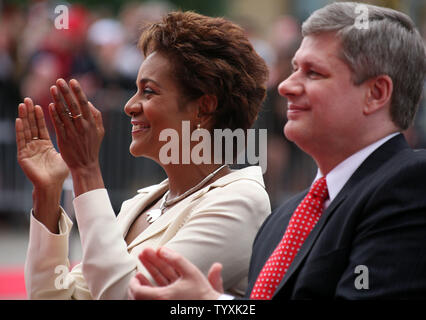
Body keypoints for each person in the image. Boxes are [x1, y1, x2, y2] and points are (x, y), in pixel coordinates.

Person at [128, 2, 426, 300]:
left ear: (376, 94)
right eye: (295, 68)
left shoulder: (411, 185)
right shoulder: (281, 221)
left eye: (314, 73)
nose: (285, 86)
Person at [15, 11, 271, 299]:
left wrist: (86, 170)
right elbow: (57, 296)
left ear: (204, 108)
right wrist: (47, 195)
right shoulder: (140, 202)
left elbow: (126, 296)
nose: (129, 106)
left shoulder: (240, 200)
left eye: (148, 92)